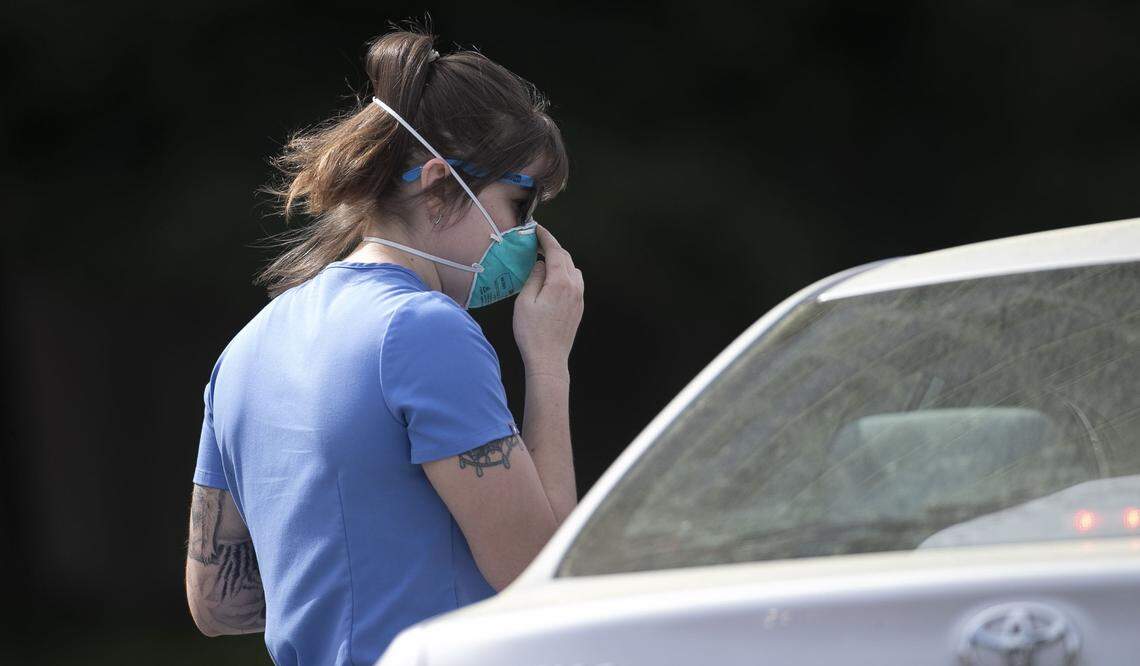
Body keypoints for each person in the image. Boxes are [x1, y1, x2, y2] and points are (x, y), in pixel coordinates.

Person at [183, 26, 583, 665]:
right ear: (439, 183)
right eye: (519, 203)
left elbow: (216, 604)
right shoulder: (427, 330)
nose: (528, 235)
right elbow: (538, 579)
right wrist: (548, 364)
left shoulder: (247, 347)